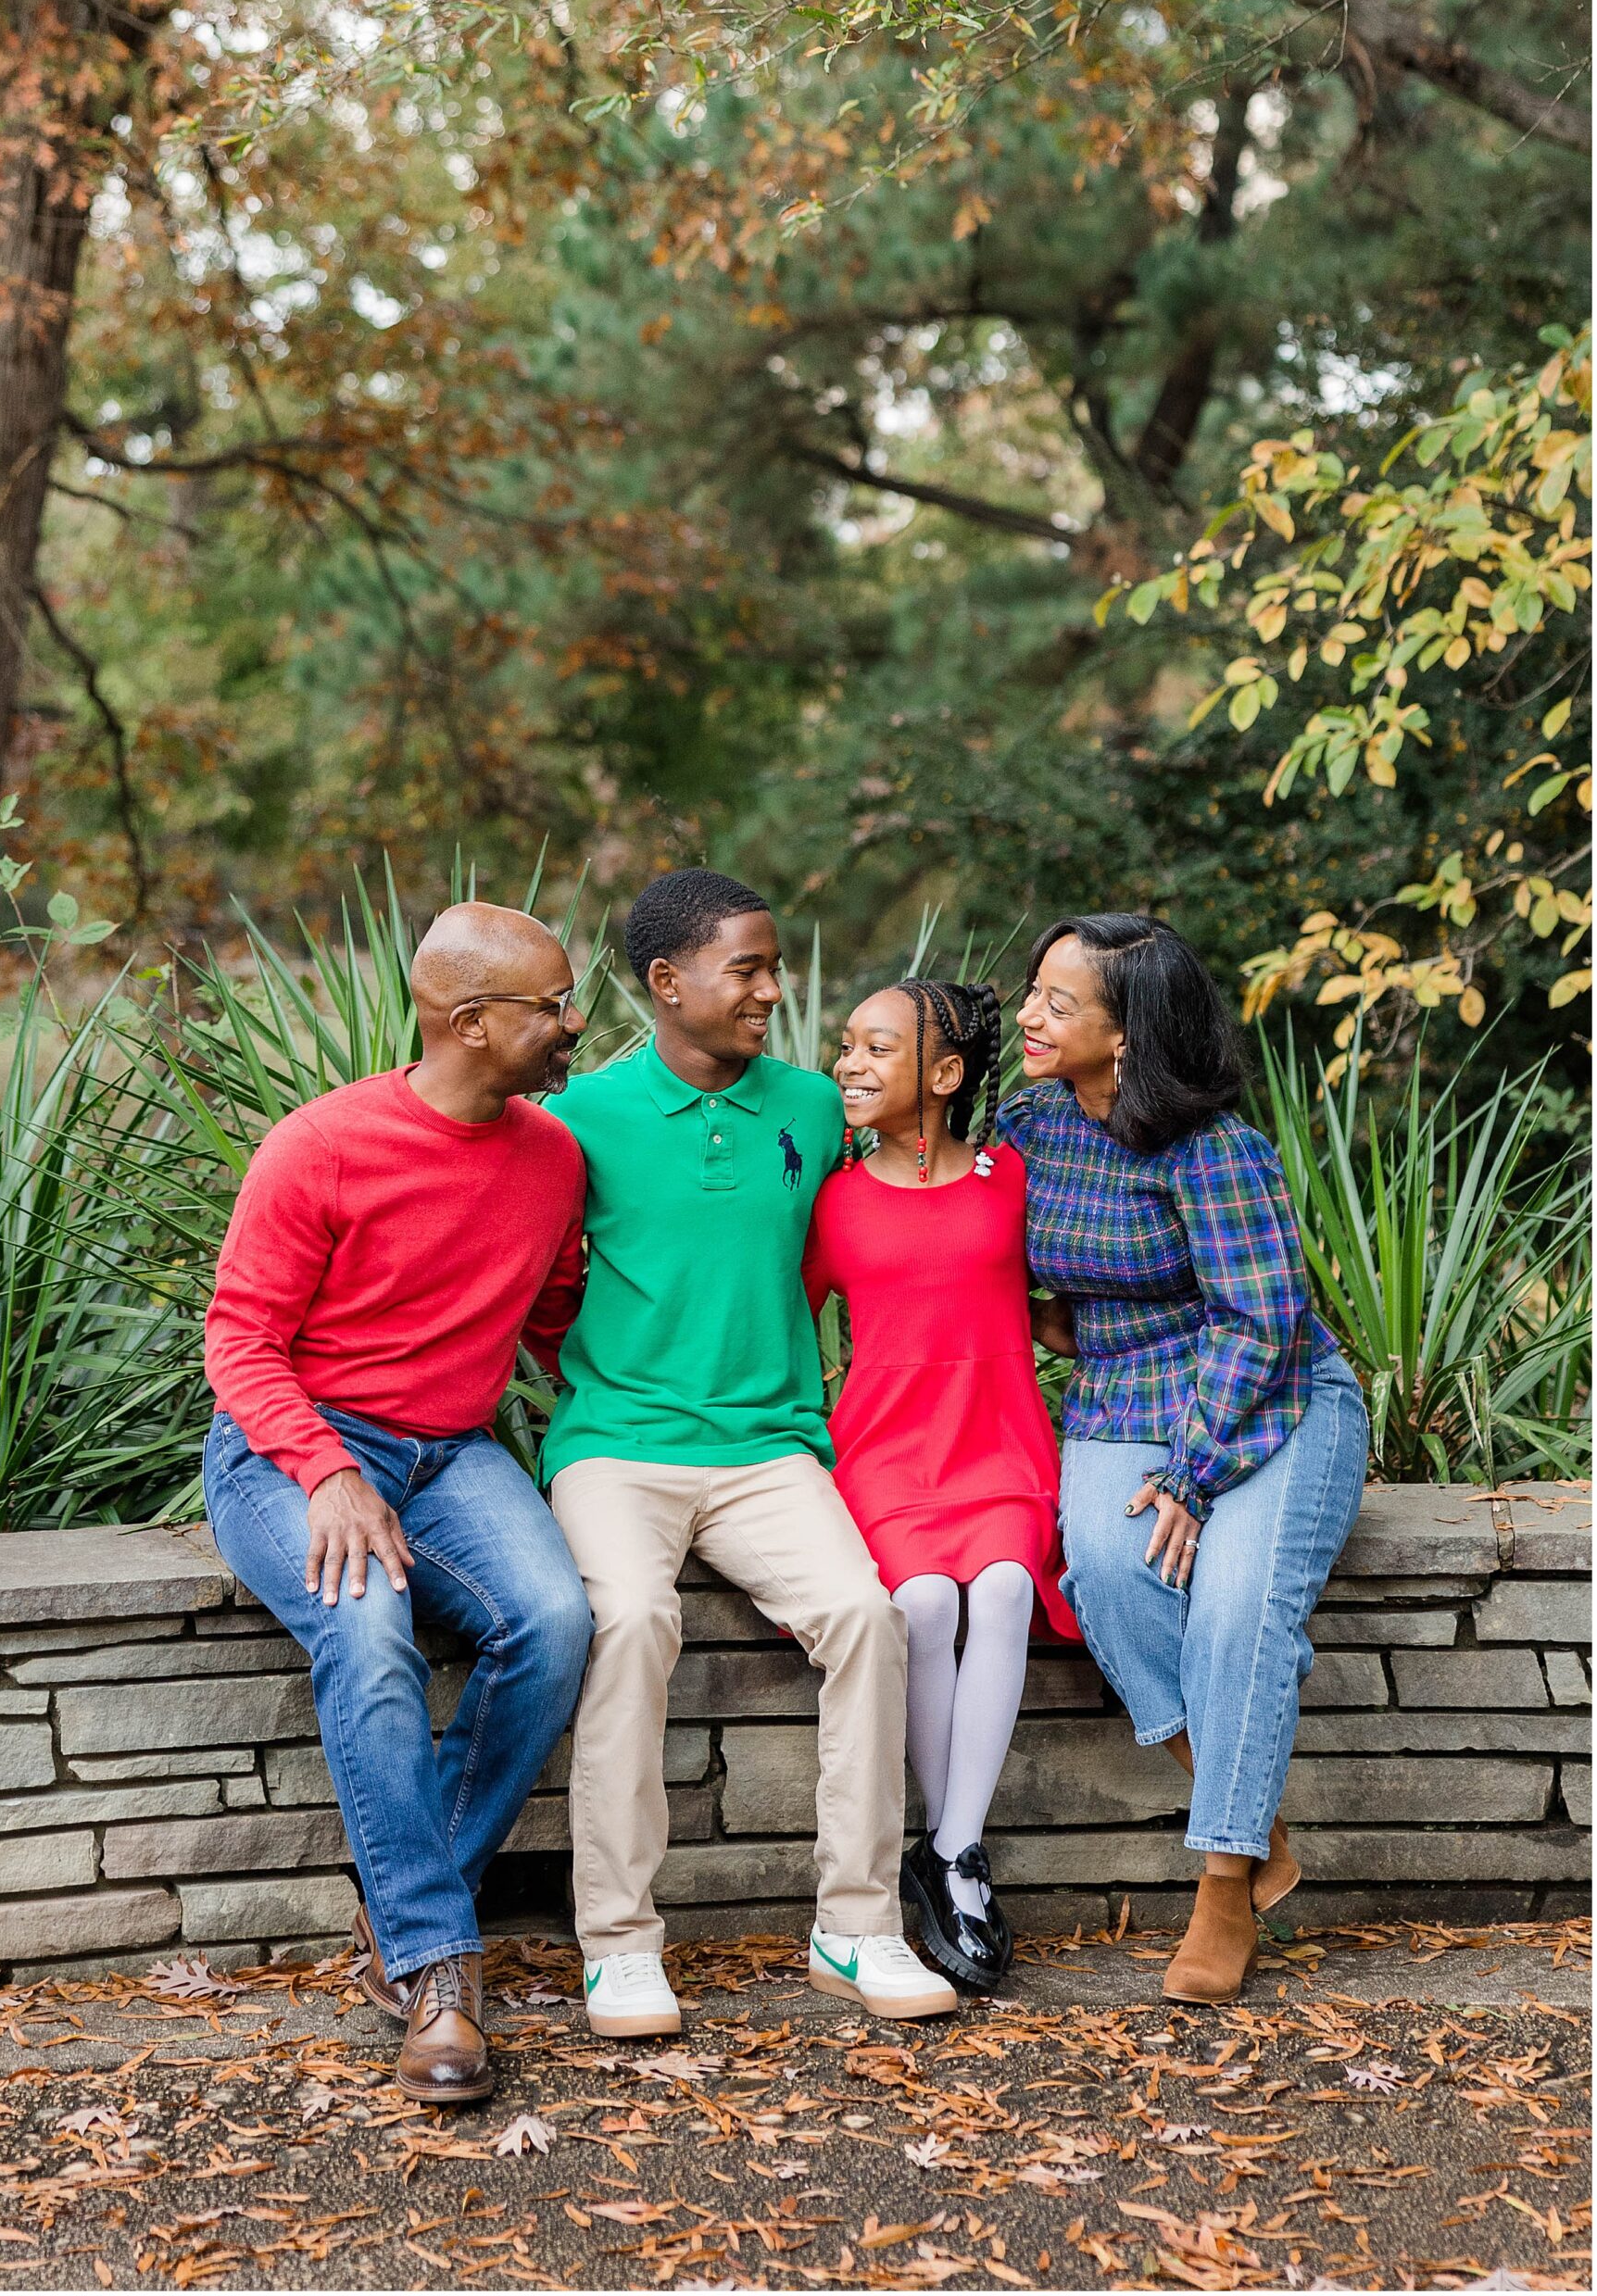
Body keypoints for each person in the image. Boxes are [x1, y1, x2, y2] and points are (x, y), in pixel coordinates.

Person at [544, 870, 958, 2035]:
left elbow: (901, 1210)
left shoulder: (815, 1108)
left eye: (775, 967)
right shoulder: (580, 1120)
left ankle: (858, 1923)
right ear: (668, 983)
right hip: (616, 1447)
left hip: (772, 1450)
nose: (774, 990)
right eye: (749, 970)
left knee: (868, 1621)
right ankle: (619, 1945)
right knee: (629, 1620)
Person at [201, 903, 597, 2102]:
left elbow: (554, 1325)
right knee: (367, 1634)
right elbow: (240, 1338)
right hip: (296, 1446)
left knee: (556, 1622)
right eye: (553, 1004)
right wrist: (324, 1472)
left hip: (450, 1453)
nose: (573, 1022)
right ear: (469, 1021)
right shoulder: (321, 1145)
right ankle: (438, 1968)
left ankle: (399, 1912)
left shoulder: (553, 1157)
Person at [997, 913, 1369, 2004]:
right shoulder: (1031, 1126)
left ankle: (1219, 1885)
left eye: (1059, 1005)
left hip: (1271, 1401)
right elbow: (987, 1239)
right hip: (1123, 1395)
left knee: (1237, 1603)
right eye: (1035, 991)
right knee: (1109, 1577)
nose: (1030, 1013)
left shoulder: (1217, 1151)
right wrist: (1053, 1320)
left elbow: (1261, 1320)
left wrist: (1191, 1477)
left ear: (1127, 1037)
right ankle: (1251, 1821)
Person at [802, 978, 1083, 1994]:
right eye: (847, 1046)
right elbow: (786, 1325)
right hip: (883, 1452)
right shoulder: (831, 1199)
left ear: (946, 1074)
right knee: (921, 1601)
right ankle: (937, 1843)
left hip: (999, 1440)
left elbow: (1053, 1301)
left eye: (878, 1047)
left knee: (1004, 1586)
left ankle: (957, 1857)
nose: (851, 1064)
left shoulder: (1012, 1180)